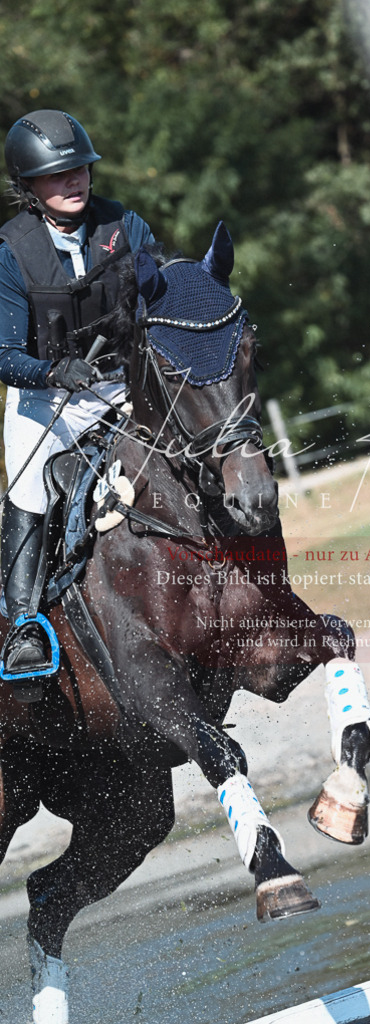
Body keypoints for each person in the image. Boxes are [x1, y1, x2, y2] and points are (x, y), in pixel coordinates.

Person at [0, 109, 154, 688]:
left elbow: (160, 297)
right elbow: (3, 354)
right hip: (48, 402)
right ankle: (24, 625)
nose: (74, 181)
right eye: (56, 175)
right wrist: (52, 371)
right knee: (29, 484)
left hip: (124, 388)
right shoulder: (11, 251)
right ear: (29, 186)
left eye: (80, 169)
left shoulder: (125, 226)